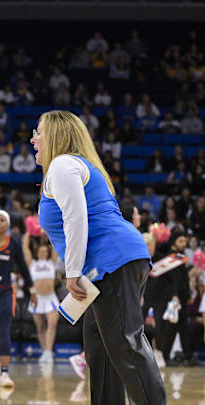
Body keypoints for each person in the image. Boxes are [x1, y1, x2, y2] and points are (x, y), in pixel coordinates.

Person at [32, 110, 166, 405]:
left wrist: (71, 272)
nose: (33, 140)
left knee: (126, 348)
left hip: (111, 262)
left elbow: (76, 218)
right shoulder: (77, 166)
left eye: (38, 132)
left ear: (55, 135)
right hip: (110, 265)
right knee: (101, 353)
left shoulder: (62, 164)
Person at [0, 210, 35, 386]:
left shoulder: (14, 244)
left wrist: (31, 288)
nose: (0, 223)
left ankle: (4, 373)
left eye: (3, 220)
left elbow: (23, 267)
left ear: (8, 224)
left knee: (3, 330)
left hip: (4, 292)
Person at [22, 235, 59, 364]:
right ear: (37, 253)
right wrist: (29, 230)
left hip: (50, 298)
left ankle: (49, 351)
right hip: (37, 299)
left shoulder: (51, 262)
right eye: (41, 251)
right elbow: (25, 248)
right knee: (40, 327)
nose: (44, 253)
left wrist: (48, 231)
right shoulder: (32, 264)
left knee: (52, 324)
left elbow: (55, 246)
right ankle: (44, 352)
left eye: (45, 251)